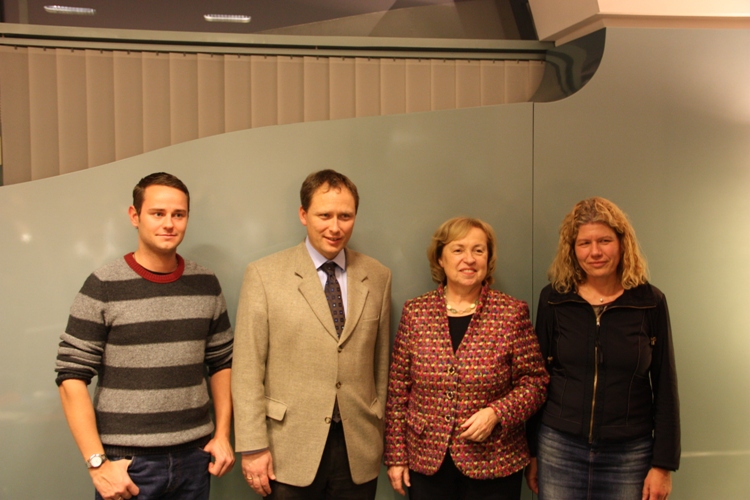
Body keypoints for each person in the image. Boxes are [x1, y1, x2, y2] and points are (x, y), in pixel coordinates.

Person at [55, 172, 235, 500]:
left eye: (178, 214)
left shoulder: (206, 283)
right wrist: (97, 464)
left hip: (195, 459)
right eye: (158, 213)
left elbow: (223, 363)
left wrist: (222, 435)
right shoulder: (103, 285)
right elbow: (71, 376)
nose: (169, 224)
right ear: (135, 216)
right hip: (127, 465)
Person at [232, 169, 392, 499]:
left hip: (358, 448)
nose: (335, 227)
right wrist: (252, 446)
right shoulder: (264, 275)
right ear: (303, 215)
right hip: (287, 449)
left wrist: (380, 429)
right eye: (324, 215)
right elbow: (247, 369)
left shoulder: (377, 275)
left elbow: (380, 364)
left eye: (345, 216)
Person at [525, 197, 680, 500]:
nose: (595, 252)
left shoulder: (649, 302)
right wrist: (532, 451)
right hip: (559, 449)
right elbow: (536, 379)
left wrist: (663, 464)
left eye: (605, 241)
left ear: (622, 244)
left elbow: (665, 386)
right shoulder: (554, 300)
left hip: (630, 453)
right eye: (584, 243)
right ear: (572, 249)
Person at [384, 217, 548, 500]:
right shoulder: (415, 312)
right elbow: (398, 390)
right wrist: (397, 456)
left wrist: (497, 413)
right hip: (427, 461)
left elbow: (535, 383)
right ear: (441, 258)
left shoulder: (511, 313)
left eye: (478, 250)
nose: (469, 259)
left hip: (494, 462)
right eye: (458, 250)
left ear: (488, 258)